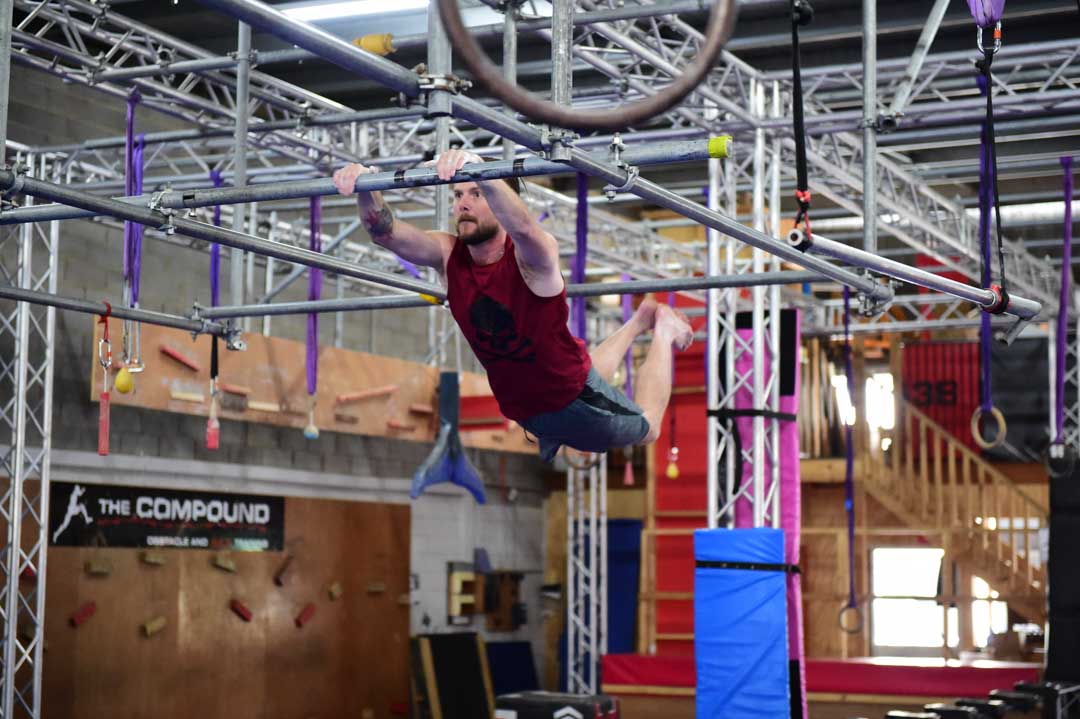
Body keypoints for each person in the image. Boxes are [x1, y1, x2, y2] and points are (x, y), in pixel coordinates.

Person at [332, 149, 694, 462]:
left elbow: (523, 228)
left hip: (577, 406)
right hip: (528, 410)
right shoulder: (447, 254)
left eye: (476, 193)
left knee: (649, 427)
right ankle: (639, 320)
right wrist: (365, 187)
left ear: (499, 198)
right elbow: (385, 233)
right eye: (458, 195)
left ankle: (662, 329)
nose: (463, 204)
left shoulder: (530, 257)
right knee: (584, 369)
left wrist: (480, 170)